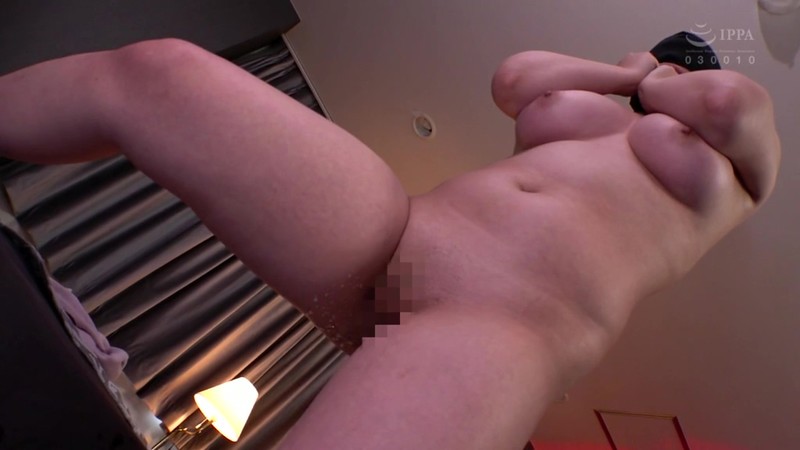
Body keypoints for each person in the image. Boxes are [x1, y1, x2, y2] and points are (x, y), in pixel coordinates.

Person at [0, 30, 780, 449]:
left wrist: (656, 73)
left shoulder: (742, 174)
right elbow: (515, 79)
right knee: (159, 75)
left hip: (500, 324)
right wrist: (629, 69)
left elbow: (726, 101)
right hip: (402, 233)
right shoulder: (612, 96)